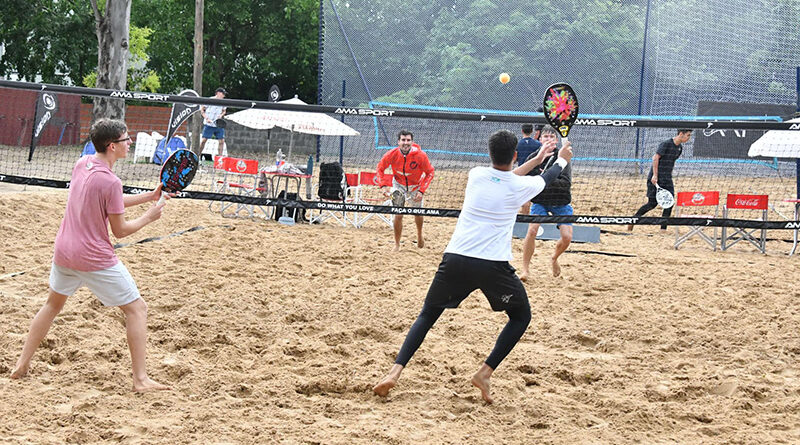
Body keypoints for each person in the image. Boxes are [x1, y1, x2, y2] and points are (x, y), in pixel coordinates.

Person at [373, 129, 572, 404]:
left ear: (490, 154)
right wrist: (560, 159)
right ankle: (484, 373)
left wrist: (538, 159)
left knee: (427, 315)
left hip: (456, 259)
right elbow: (546, 178)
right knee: (521, 316)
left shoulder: (476, 174)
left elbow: (505, 176)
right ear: (515, 156)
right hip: (493, 267)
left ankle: (394, 372)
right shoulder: (521, 187)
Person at [10, 119, 171, 393]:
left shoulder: (82, 163)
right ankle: (140, 379)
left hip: (64, 250)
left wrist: (147, 197)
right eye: (125, 139)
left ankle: (21, 365)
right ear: (112, 146)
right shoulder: (110, 180)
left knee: (51, 305)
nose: (130, 142)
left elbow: (108, 200)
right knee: (137, 309)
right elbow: (120, 230)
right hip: (93, 258)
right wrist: (148, 217)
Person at [520, 125, 573, 280]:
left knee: (567, 237)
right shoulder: (533, 158)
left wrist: (545, 179)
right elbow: (527, 182)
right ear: (540, 139)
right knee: (532, 231)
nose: (548, 140)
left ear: (556, 140)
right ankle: (525, 270)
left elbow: (566, 183)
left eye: (551, 137)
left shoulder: (563, 157)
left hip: (560, 201)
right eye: (545, 137)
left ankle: (554, 258)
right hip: (540, 202)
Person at [376, 130, 435, 251]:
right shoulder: (391, 154)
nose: (405, 142)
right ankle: (397, 244)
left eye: (408, 140)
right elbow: (379, 168)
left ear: (412, 142)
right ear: (398, 142)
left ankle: (419, 235)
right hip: (398, 185)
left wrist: (421, 191)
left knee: (418, 213)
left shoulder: (420, 155)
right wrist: (382, 186)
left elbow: (430, 172)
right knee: (398, 214)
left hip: (415, 186)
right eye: (403, 140)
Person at [627, 129, 693, 231]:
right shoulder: (666, 144)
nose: (689, 138)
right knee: (652, 204)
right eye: (688, 135)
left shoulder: (679, 148)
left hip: (667, 178)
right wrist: (655, 175)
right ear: (681, 134)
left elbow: (671, 163)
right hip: (656, 177)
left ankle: (663, 229)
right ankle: (633, 220)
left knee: (669, 203)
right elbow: (655, 158)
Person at [516, 123, 543, 216]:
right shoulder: (538, 144)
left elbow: (515, 159)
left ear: (522, 131)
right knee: (536, 197)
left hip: (522, 172)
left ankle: (525, 217)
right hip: (534, 172)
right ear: (532, 131)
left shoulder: (518, 144)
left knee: (525, 197)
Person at [199, 87, 228, 157]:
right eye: (223, 94)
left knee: (222, 141)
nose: (224, 95)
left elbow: (224, 111)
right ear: (218, 93)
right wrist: (206, 118)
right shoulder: (210, 100)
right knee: (203, 141)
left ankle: (220, 158)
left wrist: (221, 115)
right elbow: (202, 110)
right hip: (209, 124)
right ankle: (197, 155)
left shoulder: (224, 102)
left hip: (218, 125)